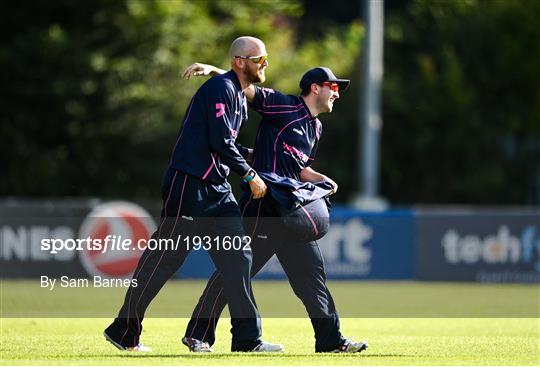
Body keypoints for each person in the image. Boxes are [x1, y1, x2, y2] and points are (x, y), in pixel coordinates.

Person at [103, 36, 284, 353]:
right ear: (240, 62)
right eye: (260, 58)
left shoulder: (237, 94)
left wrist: (250, 154)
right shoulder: (220, 89)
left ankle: (246, 339)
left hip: (217, 190)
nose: (265, 64)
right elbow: (218, 142)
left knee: (238, 260)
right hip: (189, 185)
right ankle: (124, 331)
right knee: (164, 260)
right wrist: (250, 173)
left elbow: (225, 143)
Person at [180, 63, 369, 353]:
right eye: (333, 88)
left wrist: (324, 180)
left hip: (292, 211)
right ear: (315, 87)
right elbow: (247, 88)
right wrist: (215, 71)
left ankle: (330, 341)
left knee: (312, 275)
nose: (337, 95)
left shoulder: (315, 127)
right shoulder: (285, 105)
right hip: (263, 209)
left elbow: (300, 169)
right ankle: (198, 335)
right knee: (236, 272)